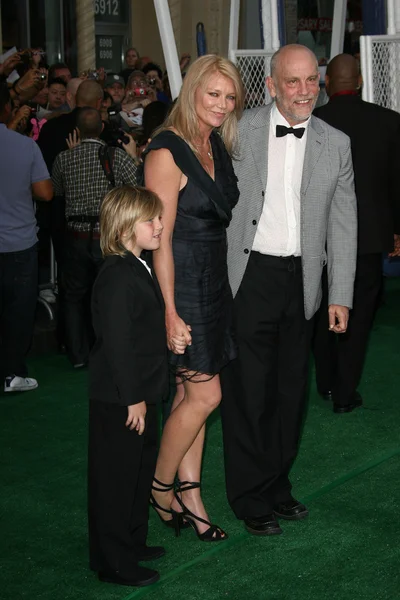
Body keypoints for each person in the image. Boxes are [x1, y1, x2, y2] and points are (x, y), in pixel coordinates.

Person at [220, 44, 357, 536]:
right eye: (292, 82)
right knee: (248, 393)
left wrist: (339, 294)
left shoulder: (335, 143)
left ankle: (277, 486)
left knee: (290, 392)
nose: (304, 91)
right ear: (272, 85)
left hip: (302, 281)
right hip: (248, 276)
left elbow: (343, 223)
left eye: (311, 81)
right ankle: (248, 495)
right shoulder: (239, 130)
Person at [143, 54, 244, 541]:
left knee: (190, 396)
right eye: (213, 94)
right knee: (207, 394)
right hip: (180, 284)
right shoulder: (167, 150)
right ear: (192, 92)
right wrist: (168, 309)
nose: (223, 105)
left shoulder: (215, 143)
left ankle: (192, 495)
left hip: (214, 280)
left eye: (229, 97)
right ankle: (160, 487)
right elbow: (158, 238)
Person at [88, 185, 167, 587]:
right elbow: (118, 344)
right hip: (121, 396)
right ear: (123, 230)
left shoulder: (137, 265)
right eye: (151, 220)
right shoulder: (118, 275)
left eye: (159, 218)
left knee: (138, 471)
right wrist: (132, 398)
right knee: (116, 478)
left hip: (142, 391)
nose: (159, 226)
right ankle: (112, 560)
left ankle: (132, 541)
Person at [312, 53, 400, 413]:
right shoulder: (390, 122)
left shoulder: (312, 122)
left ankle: (325, 382)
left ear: (327, 84)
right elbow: (397, 184)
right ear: (360, 81)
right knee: (360, 315)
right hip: (368, 236)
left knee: (319, 310)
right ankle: (346, 392)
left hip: (319, 236)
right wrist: (396, 230)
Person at [51, 107, 138, 367]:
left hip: (75, 235)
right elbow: (137, 190)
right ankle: (111, 352)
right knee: (110, 295)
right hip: (107, 235)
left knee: (74, 297)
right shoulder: (116, 156)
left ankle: (78, 355)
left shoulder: (63, 159)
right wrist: (134, 157)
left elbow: (55, 192)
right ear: (101, 128)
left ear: (76, 130)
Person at [0, 82, 53, 391]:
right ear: (8, 108)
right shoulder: (24, 146)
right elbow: (45, 192)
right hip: (18, 242)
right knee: (17, 312)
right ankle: (10, 374)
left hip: (17, 242)